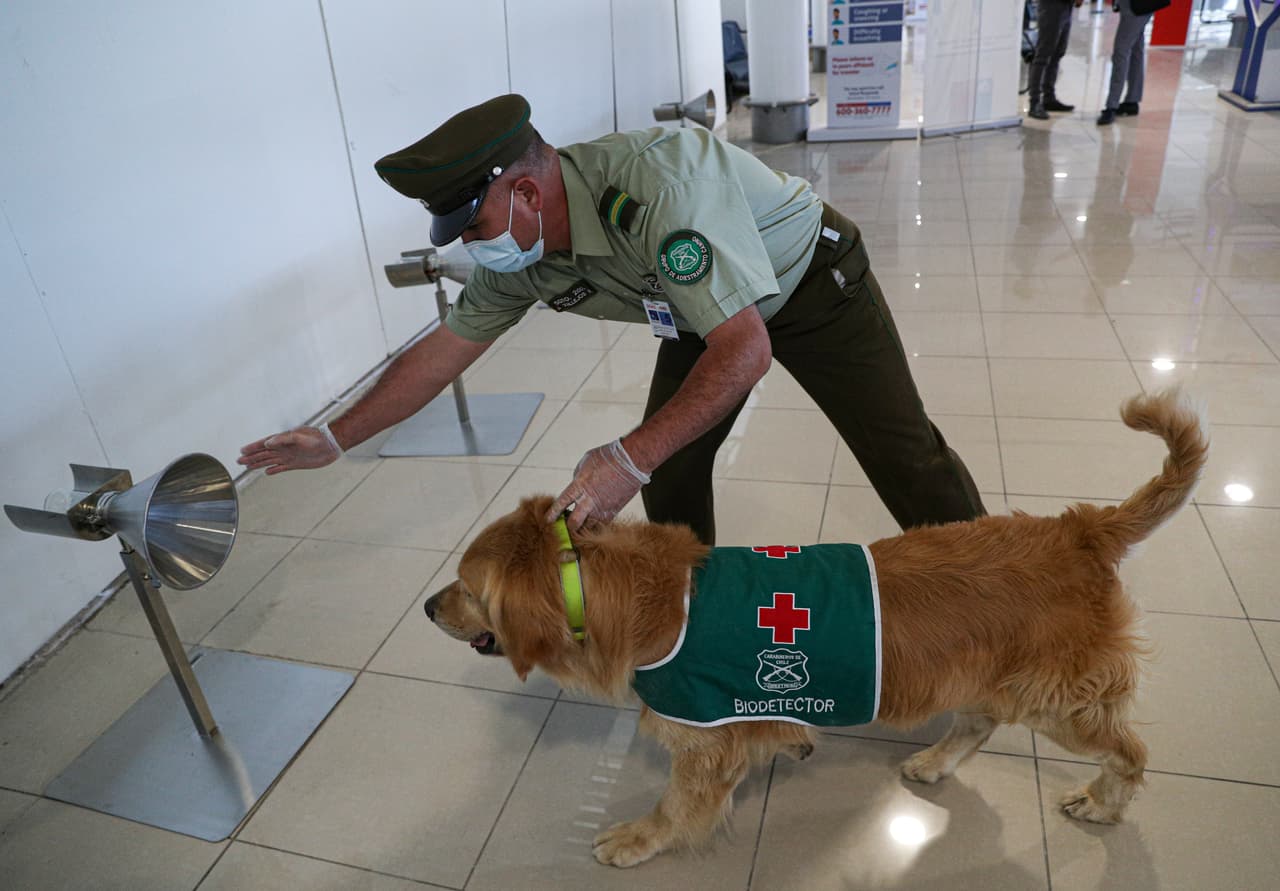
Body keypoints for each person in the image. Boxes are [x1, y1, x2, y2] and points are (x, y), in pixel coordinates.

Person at [239, 94, 985, 544]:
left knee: (906, 457)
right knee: (673, 473)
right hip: (703, 318)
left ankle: (1008, 598)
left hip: (812, 286)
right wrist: (337, 435)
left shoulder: (660, 190)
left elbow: (744, 347)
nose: (471, 244)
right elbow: (447, 346)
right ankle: (691, 615)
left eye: (475, 225)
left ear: (528, 194)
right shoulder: (524, 253)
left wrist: (624, 457)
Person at [1096, 0, 1154, 125]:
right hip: (1135, 6)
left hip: (1136, 6)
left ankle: (1112, 105)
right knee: (1136, 49)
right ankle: (1132, 100)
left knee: (1121, 51)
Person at [1026, 0, 1085, 120]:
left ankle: (1048, 98)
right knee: (1043, 55)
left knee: (1057, 54)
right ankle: (1035, 102)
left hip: (1066, 7)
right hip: (1051, 6)